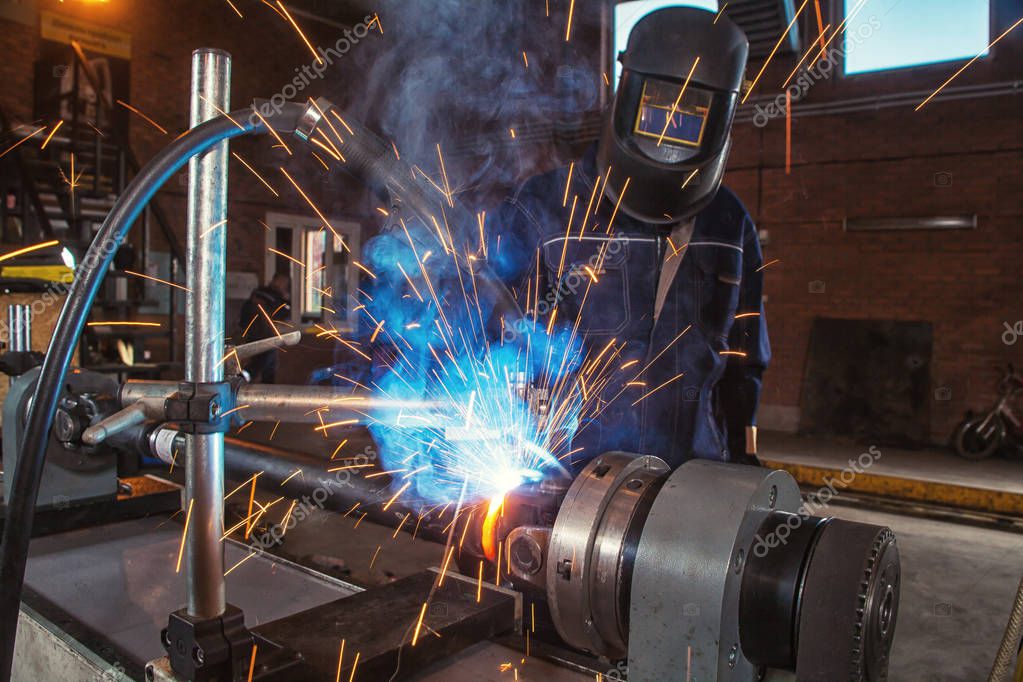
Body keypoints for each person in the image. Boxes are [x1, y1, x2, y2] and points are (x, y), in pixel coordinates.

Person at [492, 7, 768, 469]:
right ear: (628, 94)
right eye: (658, 107)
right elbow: (496, 328)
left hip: (686, 484)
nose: (670, 124)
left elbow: (745, 366)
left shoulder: (728, 222)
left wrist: (741, 464)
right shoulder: (546, 204)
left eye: (690, 114)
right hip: (565, 474)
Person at [239, 271, 291, 383]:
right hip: (259, 335)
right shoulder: (263, 293)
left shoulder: (271, 296)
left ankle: (267, 389)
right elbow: (281, 309)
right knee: (260, 362)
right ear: (275, 280)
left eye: (285, 283)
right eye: (282, 282)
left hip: (267, 336)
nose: (283, 285)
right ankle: (241, 379)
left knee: (269, 364)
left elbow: (285, 312)